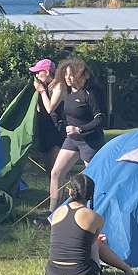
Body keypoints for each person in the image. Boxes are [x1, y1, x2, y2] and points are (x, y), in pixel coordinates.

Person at [44, 171, 138, 275]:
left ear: (70, 192)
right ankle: (127, 269)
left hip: (53, 273)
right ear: (91, 194)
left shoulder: (57, 212)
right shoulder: (95, 217)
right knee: (96, 243)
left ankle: (125, 269)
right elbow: (91, 244)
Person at [44, 58, 107, 209]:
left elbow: (100, 119)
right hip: (72, 140)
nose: (68, 78)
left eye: (71, 75)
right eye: (66, 75)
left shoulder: (90, 93)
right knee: (56, 173)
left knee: (91, 178)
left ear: (81, 75)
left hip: (90, 141)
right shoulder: (67, 92)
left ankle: (93, 211)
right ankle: (53, 212)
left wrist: (80, 129)